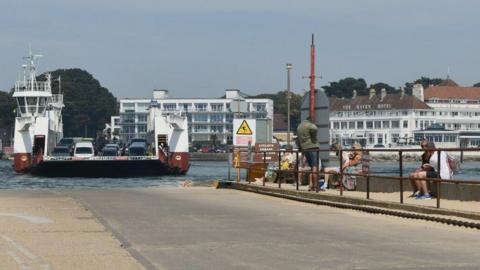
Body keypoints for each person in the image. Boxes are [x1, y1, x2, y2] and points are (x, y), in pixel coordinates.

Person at [296, 116, 320, 191]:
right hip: (313, 147)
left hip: (304, 148)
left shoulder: (299, 126)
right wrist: (314, 137)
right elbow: (315, 128)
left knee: (311, 167)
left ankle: (311, 185)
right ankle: (315, 186)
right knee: (315, 166)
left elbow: (298, 139)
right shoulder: (309, 124)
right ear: (311, 119)